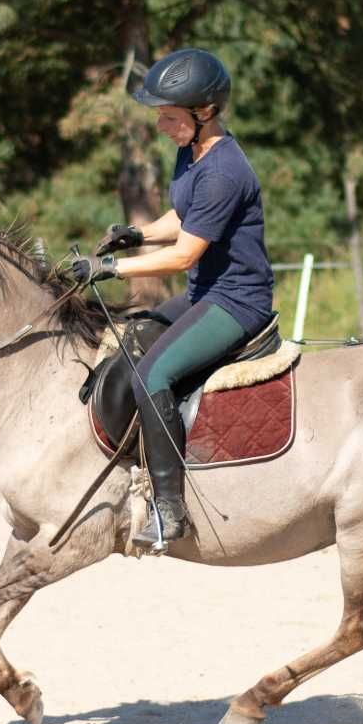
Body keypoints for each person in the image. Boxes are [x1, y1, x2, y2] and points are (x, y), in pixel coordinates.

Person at [68, 47, 275, 542]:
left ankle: (169, 509)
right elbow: (183, 217)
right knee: (133, 335)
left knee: (153, 373)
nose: (161, 125)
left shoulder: (224, 170)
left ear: (203, 114)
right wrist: (137, 234)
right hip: (206, 291)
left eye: (169, 116)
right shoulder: (194, 151)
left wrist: (111, 267)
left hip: (236, 302)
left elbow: (184, 254)